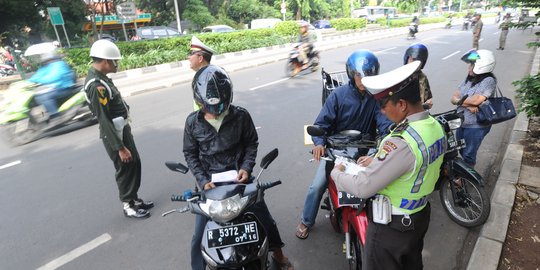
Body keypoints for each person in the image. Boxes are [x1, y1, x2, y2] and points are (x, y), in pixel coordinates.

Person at [331, 61, 447, 270]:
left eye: (384, 105)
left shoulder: (402, 142)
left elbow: (363, 187)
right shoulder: (434, 126)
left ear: (402, 104)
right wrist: (377, 160)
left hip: (392, 227)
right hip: (419, 216)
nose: (382, 112)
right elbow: (413, 165)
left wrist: (337, 174)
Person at [183, 65, 293, 270]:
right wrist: (202, 180)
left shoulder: (241, 116)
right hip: (209, 186)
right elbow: (190, 153)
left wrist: (246, 168)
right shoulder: (192, 123)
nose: (216, 113)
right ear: (199, 102)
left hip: (241, 181)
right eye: (209, 108)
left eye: (220, 107)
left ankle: (278, 256)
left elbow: (252, 143)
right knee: (199, 236)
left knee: (266, 221)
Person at [295, 50, 393, 239]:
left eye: (368, 75)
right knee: (317, 186)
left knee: (380, 184)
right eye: (359, 75)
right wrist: (319, 143)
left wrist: (386, 140)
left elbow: (385, 125)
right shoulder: (338, 96)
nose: (363, 80)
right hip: (337, 150)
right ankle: (306, 220)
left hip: (366, 149)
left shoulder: (377, 99)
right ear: (351, 73)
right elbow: (321, 124)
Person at [84, 39, 153, 219]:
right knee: (125, 167)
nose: (117, 64)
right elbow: (104, 120)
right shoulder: (96, 85)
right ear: (106, 61)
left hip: (121, 129)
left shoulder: (102, 79)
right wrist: (120, 147)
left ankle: (134, 197)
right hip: (114, 134)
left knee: (134, 163)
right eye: (115, 61)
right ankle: (128, 205)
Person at [450, 49, 496, 168]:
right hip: (462, 122)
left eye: (472, 64)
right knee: (460, 149)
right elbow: (453, 98)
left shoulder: (488, 81)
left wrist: (460, 102)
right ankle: (465, 171)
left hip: (477, 125)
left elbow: (476, 100)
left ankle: (467, 179)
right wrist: (468, 104)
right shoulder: (468, 80)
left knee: (469, 154)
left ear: (481, 66)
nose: (469, 68)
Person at [28, 51, 76, 118]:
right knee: (35, 96)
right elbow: (36, 76)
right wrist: (28, 82)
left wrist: (38, 80)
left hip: (63, 87)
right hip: (53, 88)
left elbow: (54, 77)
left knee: (44, 97)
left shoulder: (59, 64)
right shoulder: (45, 66)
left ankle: (55, 116)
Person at [188, 36, 215, 110]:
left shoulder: (208, 80)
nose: (188, 57)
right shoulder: (203, 76)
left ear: (200, 58)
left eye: (191, 54)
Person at [403, 43, 433, 109]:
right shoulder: (399, 78)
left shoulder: (422, 77)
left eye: (419, 61)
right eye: (413, 59)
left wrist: (428, 102)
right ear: (407, 59)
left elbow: (427, 98)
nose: (416, 63)